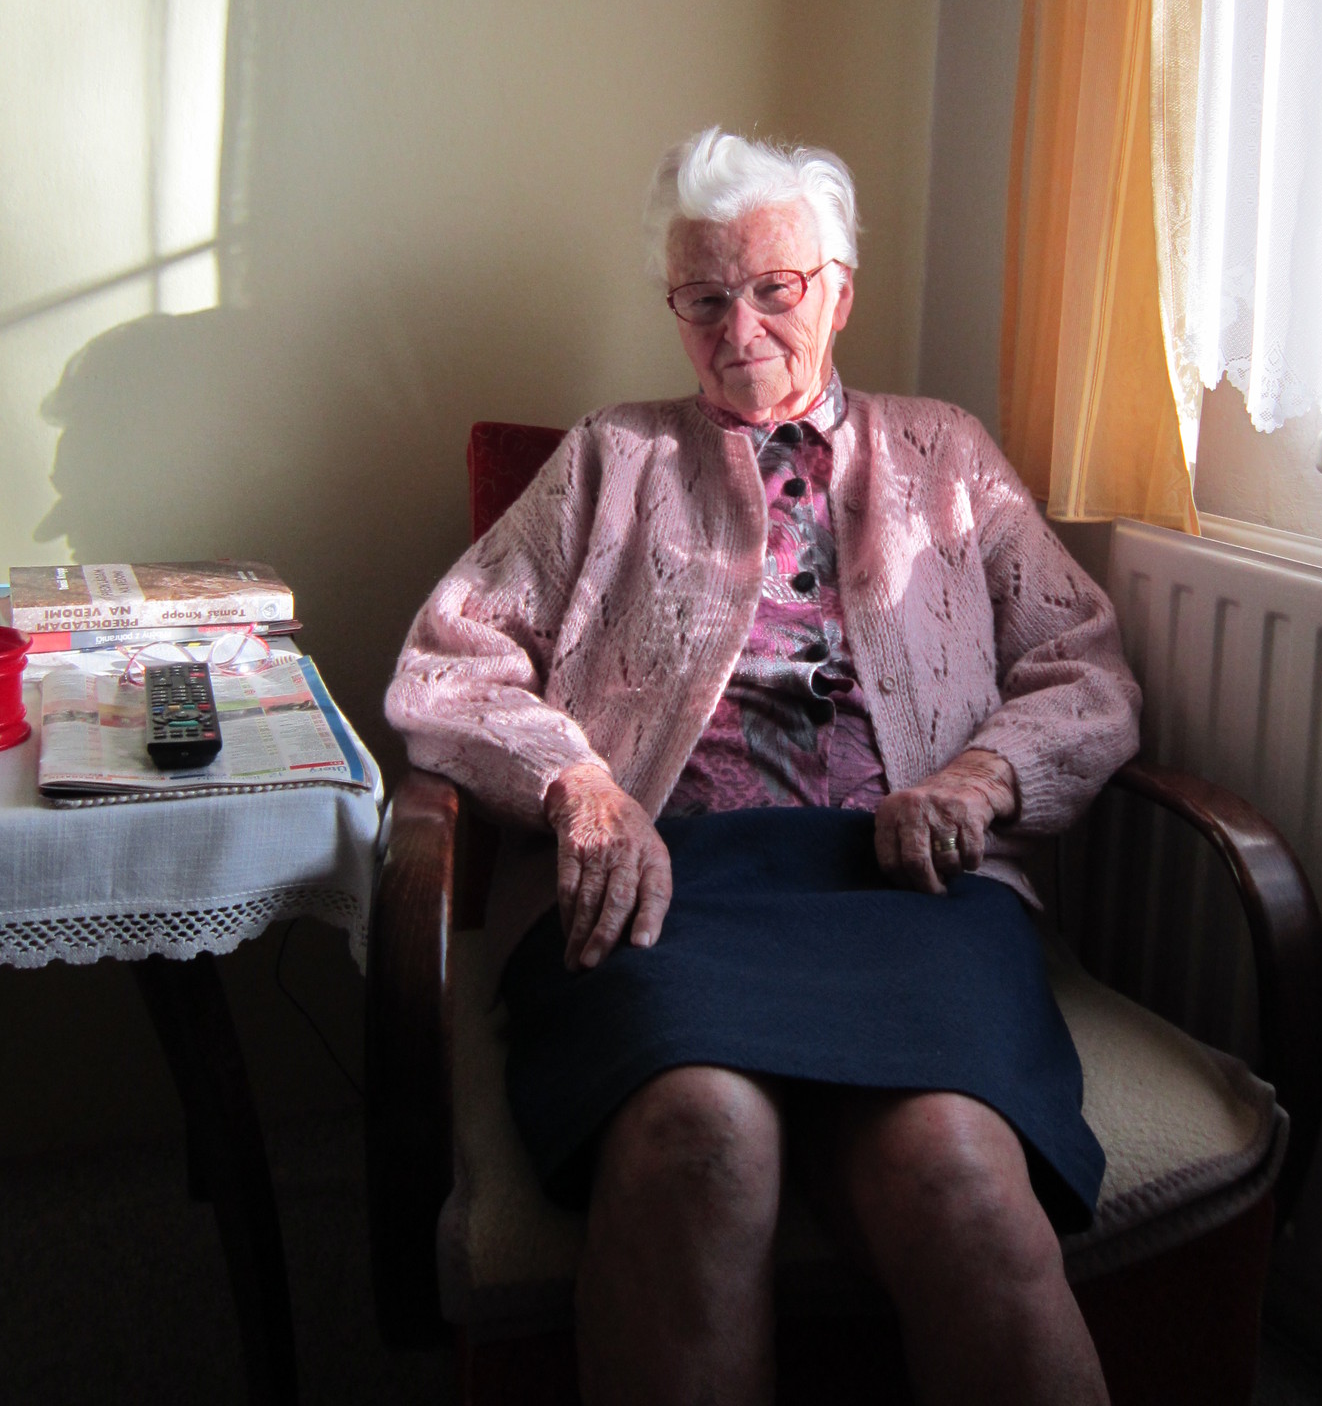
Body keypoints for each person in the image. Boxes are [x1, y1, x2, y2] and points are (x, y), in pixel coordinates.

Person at [386, 128, 1141, 1406]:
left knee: (958, 1168)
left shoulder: (947, 453)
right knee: (699, 1140)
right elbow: (449, 661)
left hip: (911, 887)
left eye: (773, 288)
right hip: (662, 885)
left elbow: (1086, 665)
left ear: (838, 291)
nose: (738, 329)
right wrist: (581, 786)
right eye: (702, 297)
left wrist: (982, 775)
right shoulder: (612, 457)